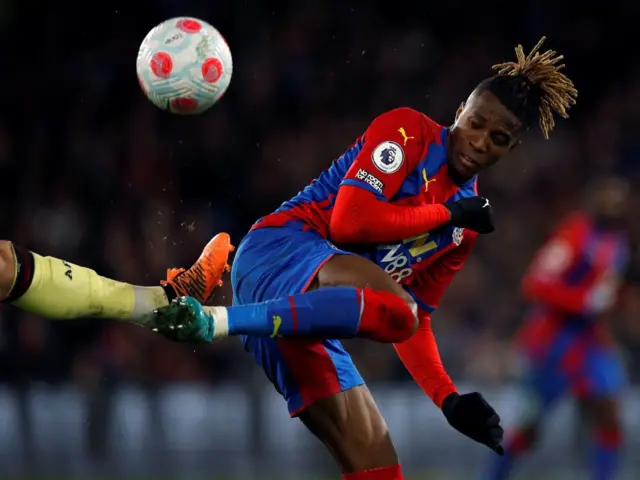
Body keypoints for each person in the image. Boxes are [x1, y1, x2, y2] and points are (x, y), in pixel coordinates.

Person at [148, 37, 578, 480]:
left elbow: (413, 322)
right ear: (460, 112)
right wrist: (445, 212)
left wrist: (448, 399)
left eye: (498, 138)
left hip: (299, 319)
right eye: (476, 123)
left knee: (380, 468)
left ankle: (221, 320)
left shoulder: (463, 229)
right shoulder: (408, 133)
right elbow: (350, 222)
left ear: (512, 149)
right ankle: (217, 321)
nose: (479, 142)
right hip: (279, 249)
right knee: (397, 307)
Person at [482, 177, 630, 480]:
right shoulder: (574, 234)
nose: (614, 205)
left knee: (609, 414)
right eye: (608, 198)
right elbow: (535, 283)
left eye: (620, 200)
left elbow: (605, 292)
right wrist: (582, 301)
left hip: (590, 343)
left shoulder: (618, 242)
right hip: (553, 344)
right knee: (530, 426)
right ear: (594, 200)